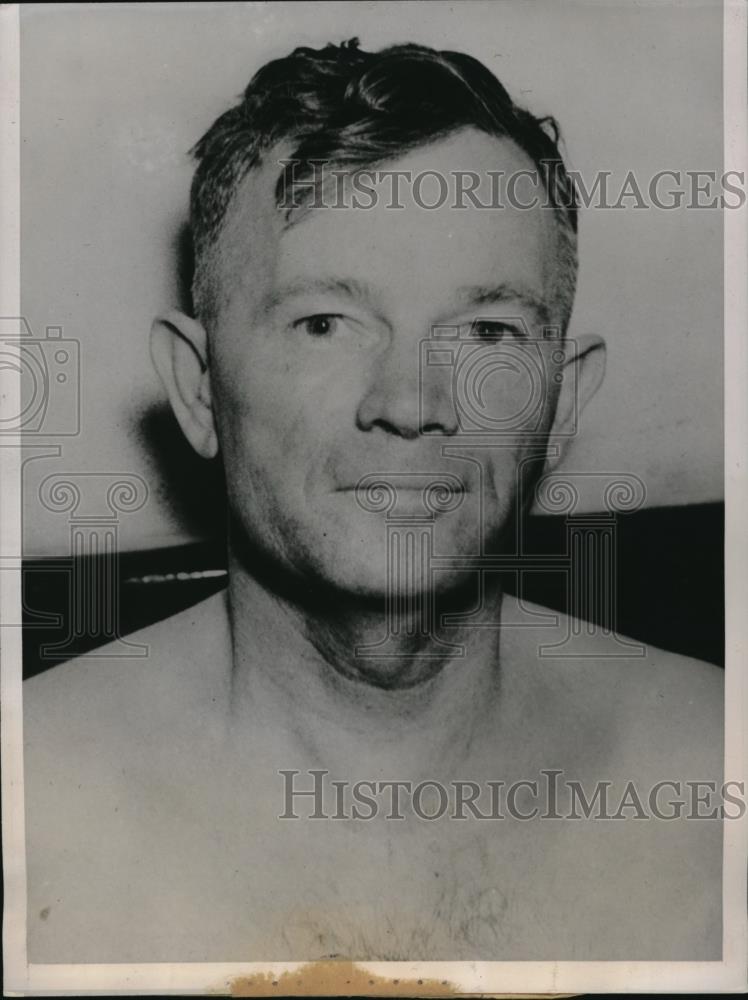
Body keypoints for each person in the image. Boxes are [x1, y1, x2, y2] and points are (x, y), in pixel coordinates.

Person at [24, 39, 724, 963]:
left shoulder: (714, 770)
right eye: (325, 323)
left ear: (561, 401)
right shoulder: (32, 801)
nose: (408, 402)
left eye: (485, 330)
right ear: (198, 387)